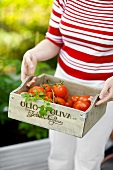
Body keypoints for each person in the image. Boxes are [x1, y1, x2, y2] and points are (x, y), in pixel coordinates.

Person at [21, 0, 113, 170]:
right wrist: (33, 53)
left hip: (103, 93)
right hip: (62, 88)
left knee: (88, 157)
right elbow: (53, 41)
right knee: (59, 153)